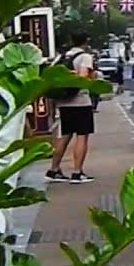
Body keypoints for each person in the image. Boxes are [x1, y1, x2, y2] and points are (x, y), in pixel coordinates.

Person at [45, 31, 97, 183]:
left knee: (65, 135)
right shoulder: (85, 57)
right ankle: (77, 172)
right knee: (82, 136)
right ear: (85, 42)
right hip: (80, 101)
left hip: (64, 102)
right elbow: (83, 77)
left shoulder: (63, 56)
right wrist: (92, 78)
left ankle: (53, 170)